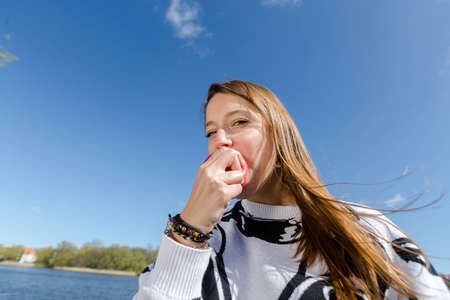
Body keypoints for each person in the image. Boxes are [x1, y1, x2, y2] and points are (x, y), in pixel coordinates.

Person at [133, 80, 449, 300]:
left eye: (239, 122)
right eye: (211, 131)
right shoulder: (201, 242)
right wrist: (190, 228)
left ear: (280, 134)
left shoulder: (367, 228)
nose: (221, 140)